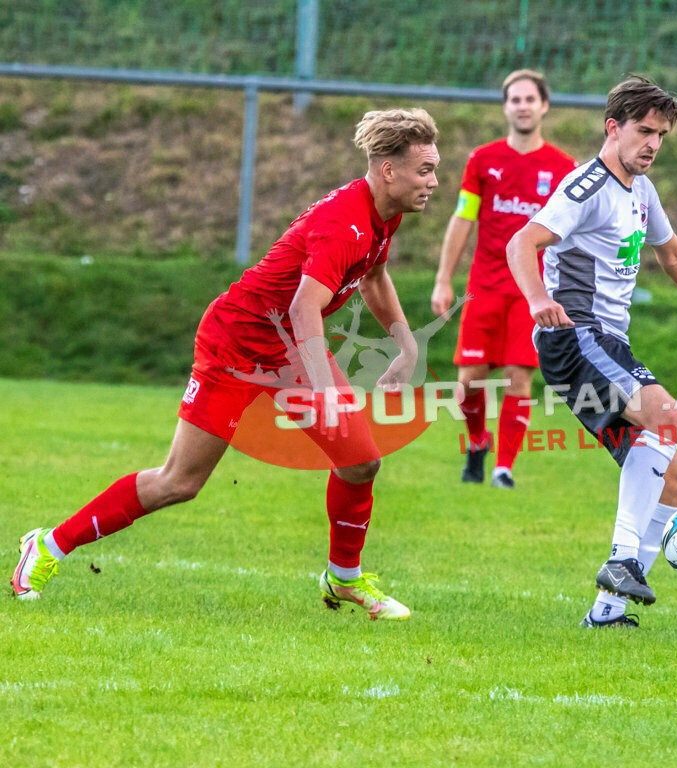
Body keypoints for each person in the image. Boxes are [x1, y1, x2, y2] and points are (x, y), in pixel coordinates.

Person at [12, 108, 443, 621]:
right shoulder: (344, 223)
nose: (433, 182)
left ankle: (343, 579)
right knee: (179, 482)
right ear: (388, 171)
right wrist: (327, 388)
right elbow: (305, 307)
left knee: (360, 460)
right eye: (425, 170)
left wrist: (407, 346)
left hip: (288, 347)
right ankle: (48, 545)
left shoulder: (381, 212)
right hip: (235, 345)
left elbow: (373, 276)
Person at [507, 76, 677, 628]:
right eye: (643, 131)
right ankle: (622, 559)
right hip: (576, 336)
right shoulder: (587, 186)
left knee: (673, 480)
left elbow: (674, 254)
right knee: (667, 415)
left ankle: (607, 612)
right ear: (614, 128)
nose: (653, 143)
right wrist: (538, 299)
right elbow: (522, 242)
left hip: (606, 342)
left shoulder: (642, 191)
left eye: (661, 134)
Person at [431, 69, 576, 489]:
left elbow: (569, 234)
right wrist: (444, 279)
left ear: (544, 105)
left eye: (530, 99)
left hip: (531, 291)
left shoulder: (562, 167)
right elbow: (463, 218)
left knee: (519, 376)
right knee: (468, 381)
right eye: (515, 99)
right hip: (485, 288)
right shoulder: (483, 160)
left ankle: (503, 468)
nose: (523, 106)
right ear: (505, 106)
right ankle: (478, 442)